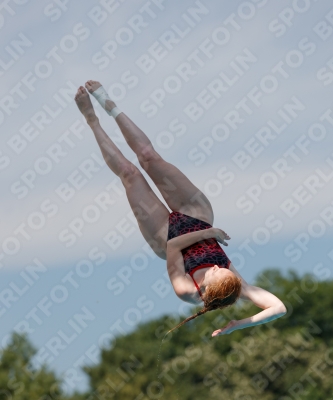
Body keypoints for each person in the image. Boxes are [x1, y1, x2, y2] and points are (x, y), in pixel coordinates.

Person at [74, 82, 287, 337]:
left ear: (207, 290)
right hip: (197, 214)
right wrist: (237, 324)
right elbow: (279, 308)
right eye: (225, 271)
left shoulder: (187, 290)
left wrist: (209, 234)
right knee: (148, 156)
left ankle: (91, 119)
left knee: (130, 174)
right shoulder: (234, 285)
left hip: (165, 236)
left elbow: (174, 247)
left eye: (218, 273)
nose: (221, 268)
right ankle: (108, 103)